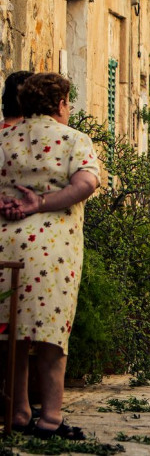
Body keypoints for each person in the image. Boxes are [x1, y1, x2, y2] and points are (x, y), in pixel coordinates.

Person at [0, 73, 100, 439]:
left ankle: (18, 411)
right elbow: (87, 182)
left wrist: (7, 205)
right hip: (52, 250)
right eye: (67, 102)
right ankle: (51, 418)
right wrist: (41, 203)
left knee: (13, 333)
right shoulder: (74, 140)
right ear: (59, 104)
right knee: (51, 334)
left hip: (5, 246)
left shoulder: (4, 137)